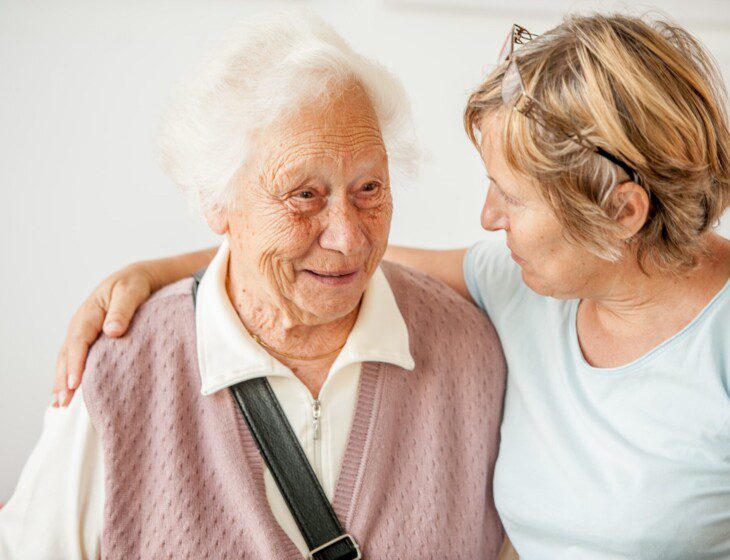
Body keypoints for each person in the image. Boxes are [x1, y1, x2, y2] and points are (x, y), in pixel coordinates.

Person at [48, 12, 730, 558]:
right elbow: (345, 252)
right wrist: (157, 273)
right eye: (306, 194)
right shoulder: (521, 283)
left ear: (620, 214)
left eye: (511, 199)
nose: (487, 219)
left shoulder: (689, 339)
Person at [0, 11, 508, 559]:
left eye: (369, 187)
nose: (348, 237)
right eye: (304, 195)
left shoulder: (472, 356)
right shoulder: (120, 373)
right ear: (216, 202)